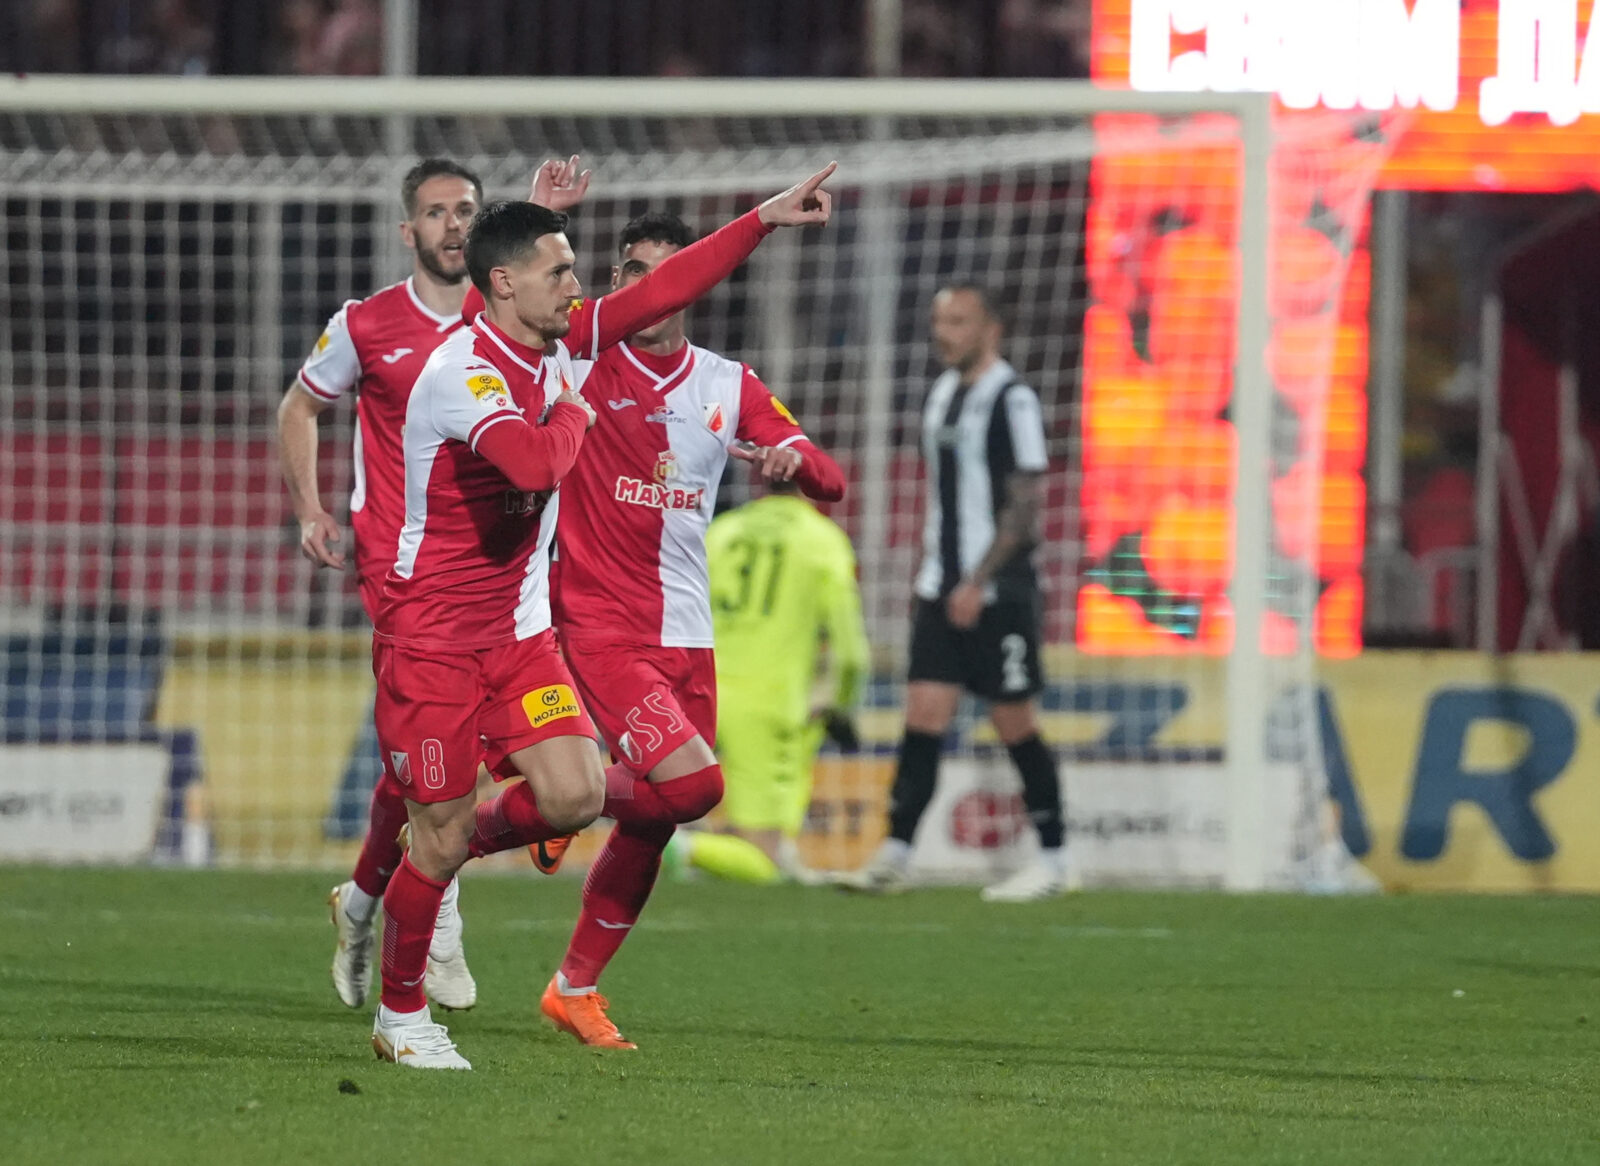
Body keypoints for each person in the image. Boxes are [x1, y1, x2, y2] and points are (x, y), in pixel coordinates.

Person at [376, 170, 842, 1068]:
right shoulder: (462, 372)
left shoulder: (564, 345)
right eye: (561, 271)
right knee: (437, 835)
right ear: (507, 284)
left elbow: (667, 286)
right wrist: (579, 409)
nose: (579, 288)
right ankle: (402, 1017)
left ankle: (561, 972)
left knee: (579, 793)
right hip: (432, 635)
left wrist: (761, 221)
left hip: (519, 633)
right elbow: (532, 464)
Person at [278, 157, 590, 1016]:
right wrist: (311, 510)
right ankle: (433, 925)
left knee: (443, 788)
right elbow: (299, 406)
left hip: (500, 580)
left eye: (468, 210)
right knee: (427, 784)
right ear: (408, 231)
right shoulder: (368, 324)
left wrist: (539, 225)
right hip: (404, 576)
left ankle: (371, 899)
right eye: (436, 213)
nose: (454, 222)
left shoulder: (518, 323)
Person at [847, 283, 1070, 902]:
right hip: (940, 589)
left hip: (997, 592)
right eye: (940, 320)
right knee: (922, 716)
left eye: (959, 321)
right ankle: (896, 852)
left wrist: (979, 580)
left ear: (991, 329)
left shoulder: (1014, 399)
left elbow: (1025, 506)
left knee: (1014, 720)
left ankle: (1055, 860)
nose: (944, 332)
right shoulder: (943, 393)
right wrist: (940, 578)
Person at [682, 479, 869, 883]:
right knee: (761, 860)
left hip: (697, 695)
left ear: (756, 480)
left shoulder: (721, 532)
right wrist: (841, 701)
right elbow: (851, 653)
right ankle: (676, 849)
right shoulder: (821, 539)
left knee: (719, 826)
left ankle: (676, 843)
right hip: (768, 704)